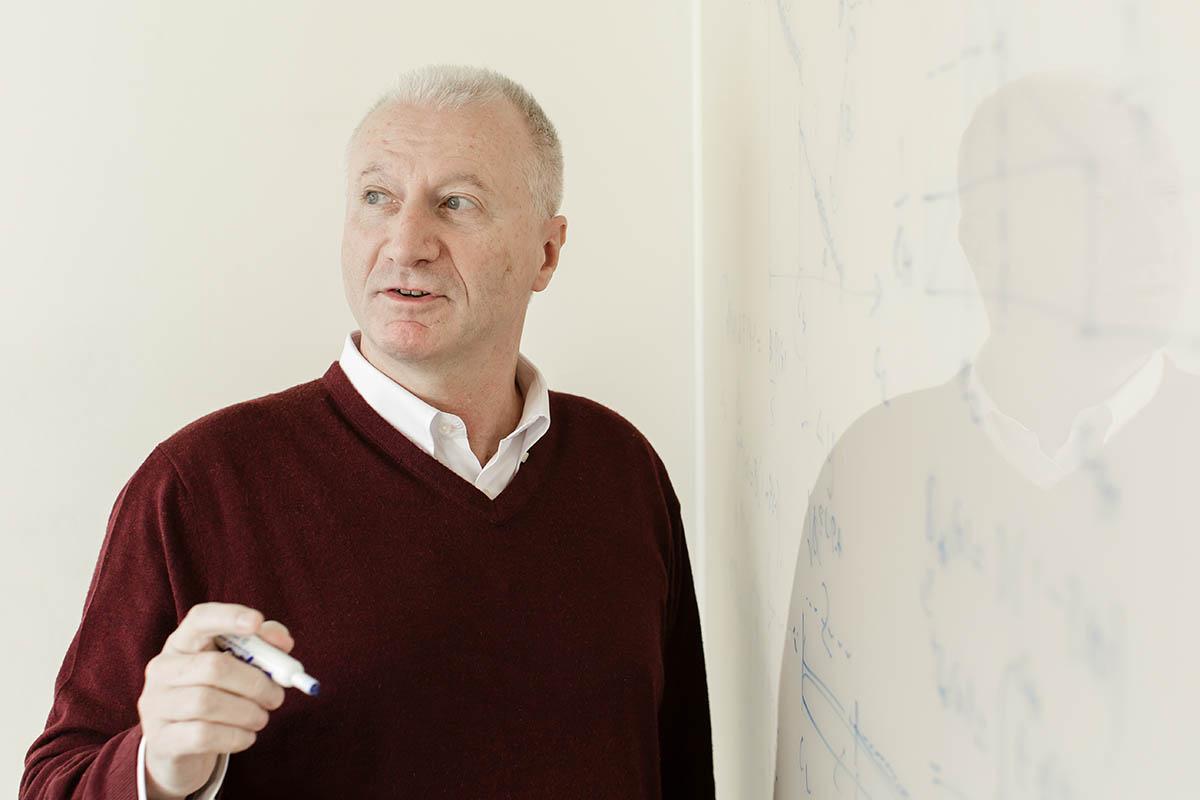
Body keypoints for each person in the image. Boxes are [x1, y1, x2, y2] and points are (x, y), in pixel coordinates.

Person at [21, 63, 715, 799]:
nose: (406, 241)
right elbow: (53, 783)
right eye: (377, 197)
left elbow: (680, 765)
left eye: (457, 203)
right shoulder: (200, 483)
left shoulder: (622, 469)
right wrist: (156, 768)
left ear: (547, 251)